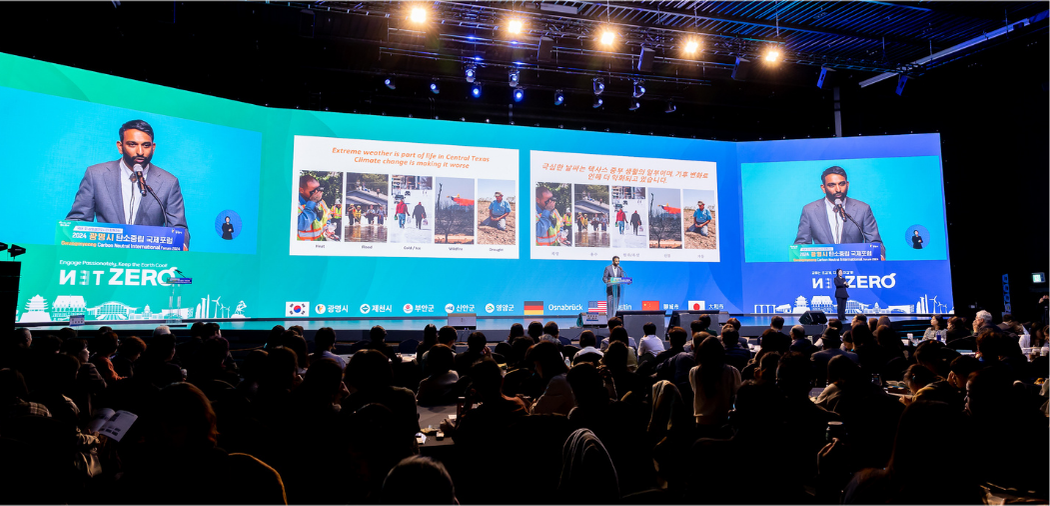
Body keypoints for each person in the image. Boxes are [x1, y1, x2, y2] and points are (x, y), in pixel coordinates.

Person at [66, 119, 190, 247]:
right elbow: (78, 221)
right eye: (132, 144)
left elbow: (179, 229)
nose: (140, 152)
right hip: (105, 255)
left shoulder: (169, 182)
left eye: (146, 145)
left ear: (153, 148)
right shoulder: (96, 175)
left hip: (148, 257)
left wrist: (182, 244)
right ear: (120, 146)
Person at [794, 166, 884, 259]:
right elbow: (802, 245)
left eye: (841, 184)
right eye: (832, 185)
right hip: (823, 266)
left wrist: (879, 256)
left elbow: (875, 243)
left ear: (847, 184)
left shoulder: (863, 209)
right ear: (823, 188)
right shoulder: (809, 210)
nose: (838, 189)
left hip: (855, 266)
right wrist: (799, 257)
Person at [297, 174, 331, 241]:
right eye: (313, 192)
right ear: (301, 190)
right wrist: (312, 203)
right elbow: (301, 225)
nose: (317, 194)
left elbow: (328, 218)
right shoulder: (293, 204)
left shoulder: (321, 202)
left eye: (318, 190)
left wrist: (328, 230)